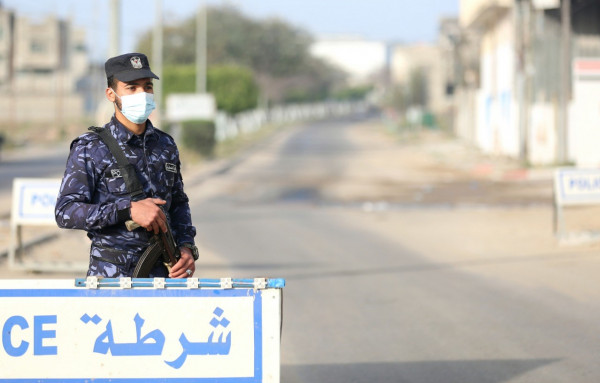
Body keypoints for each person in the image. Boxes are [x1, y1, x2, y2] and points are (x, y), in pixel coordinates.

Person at [55, 53, 198, 278]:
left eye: (147, 87)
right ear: (111, 94)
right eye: (131, 88)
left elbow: (178, 203)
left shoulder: (166, 144)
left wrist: (187, 247)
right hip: (111, 276)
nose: (142, 94)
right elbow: (66, 212)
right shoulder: (90, 147)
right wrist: (128, 209)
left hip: (163, 274)